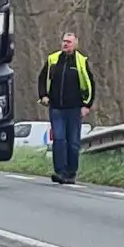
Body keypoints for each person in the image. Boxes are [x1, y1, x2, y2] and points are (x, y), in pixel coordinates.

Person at [37, 32, 95, 184]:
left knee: (73, 142)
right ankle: (60, 171)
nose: (65, 44)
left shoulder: (81, 61)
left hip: (75, 108)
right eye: (64, 41)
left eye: (69, 42)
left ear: (75, 44)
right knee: (59, 139)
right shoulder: (53, 60)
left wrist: (87, 105)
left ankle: (71, 173)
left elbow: (91, 84)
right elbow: (42, 78)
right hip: (56, 108)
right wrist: (43, 95)